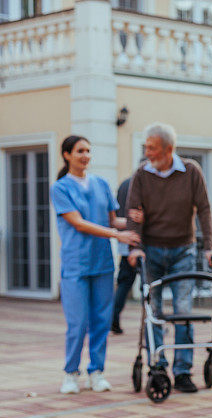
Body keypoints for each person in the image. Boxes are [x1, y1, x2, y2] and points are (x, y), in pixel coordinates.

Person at [126, 122, 212, 393]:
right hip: (151, 250)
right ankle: (158, 365)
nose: (147, 151)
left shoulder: (191, 172)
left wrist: (209, 246)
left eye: (152, 147)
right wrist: (135, 246)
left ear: (169, 149)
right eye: (146, 147)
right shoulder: (141, 175)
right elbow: (133, 211)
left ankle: (182, 372)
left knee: (183, 310)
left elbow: (204, 210)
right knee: (154, 311)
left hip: (183, 250)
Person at [50, 135, 140, 394]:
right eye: (80, 151)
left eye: (88, 150)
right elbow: (78, 223)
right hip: (76, 265)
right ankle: (71, 373)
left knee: (102, 321)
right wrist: (116, 235)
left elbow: (114, 221)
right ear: (67, 155)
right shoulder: (61, 188)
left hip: (102, 264)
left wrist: (137, 220)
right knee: (78, 324)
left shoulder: (101, 184)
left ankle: (97, 372)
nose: (85, 155)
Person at [110, 173, 138, 334]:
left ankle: (114, 318)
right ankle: (155, 322)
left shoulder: (124, 183)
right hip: (136, 240)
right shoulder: (141, 184)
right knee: (148, 285)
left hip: (124, 240)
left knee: (124, 283)